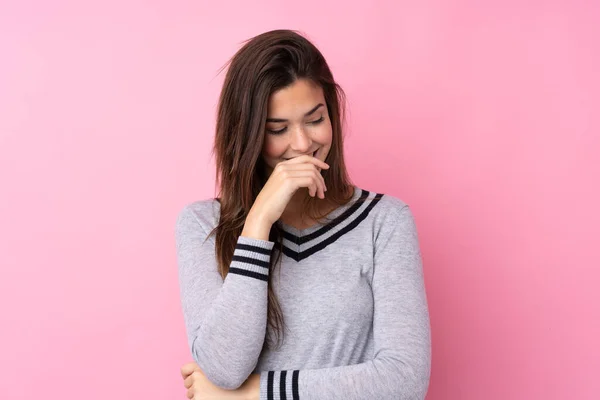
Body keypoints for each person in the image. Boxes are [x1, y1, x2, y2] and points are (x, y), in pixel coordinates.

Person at [175, 29, 431, 400]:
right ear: (246, 135)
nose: (302, 144)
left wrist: (253, 395)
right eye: (277, 129)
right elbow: (223, 368)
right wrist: (258, 221)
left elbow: (404, 381)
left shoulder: (384, 223)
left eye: (315, 119)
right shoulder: (201, 225)